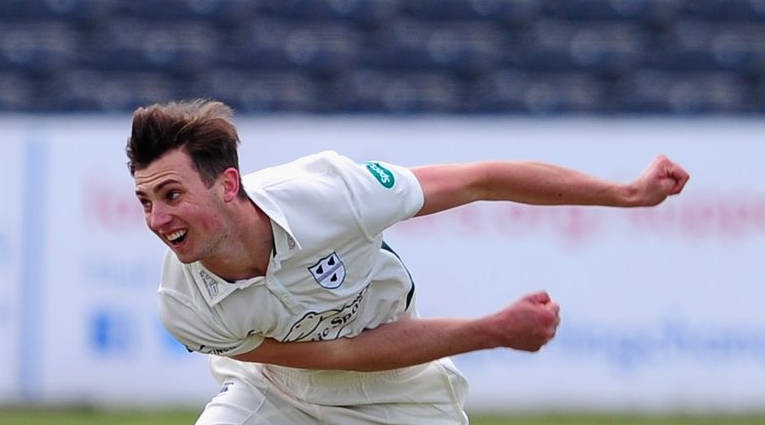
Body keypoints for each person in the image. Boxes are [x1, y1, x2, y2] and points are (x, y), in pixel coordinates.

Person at [127, 99, 689, 425]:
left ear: (228, 185)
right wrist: (490, 330)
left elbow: (482, 180)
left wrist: (626, 194)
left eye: (172, 195)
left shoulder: (332, 192)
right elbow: (339, 354)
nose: (157, 220)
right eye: (145, 200)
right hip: (273, 393)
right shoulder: (182, 307)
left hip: (397, 392)